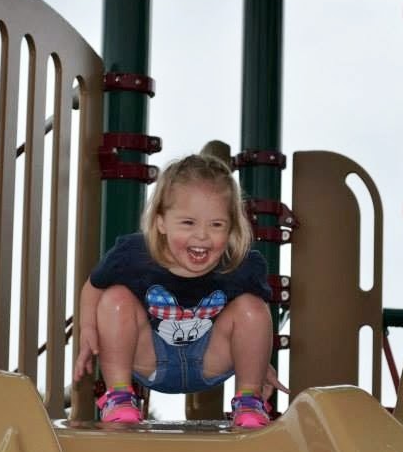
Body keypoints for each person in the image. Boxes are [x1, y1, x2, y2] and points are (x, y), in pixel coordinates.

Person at [73, 153, 288, 428]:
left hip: (210, 360)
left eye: (216, 225)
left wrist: (257, 364)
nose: (202, 235)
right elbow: (93, 288)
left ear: (232, 227)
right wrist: (88, 330)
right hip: (150, 358)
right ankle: (119, 395)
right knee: (115, 298)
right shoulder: (133, 255)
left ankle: (249, 399)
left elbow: (255, 325)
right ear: (161, 222)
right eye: (188, 223)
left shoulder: (241, 265)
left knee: (252, 307)